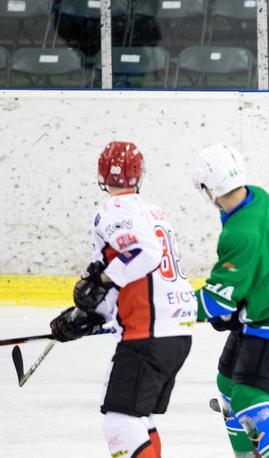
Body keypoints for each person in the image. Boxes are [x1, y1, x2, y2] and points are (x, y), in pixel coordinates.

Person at [49, 141, 195, 458]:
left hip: (148, 333)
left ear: (102, 175)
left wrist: (100, 280)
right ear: (139, 174)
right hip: (176, 332)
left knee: (119, 423)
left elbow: (144, 254)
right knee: (140, 419)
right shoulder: (155, 212)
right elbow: (128, 271)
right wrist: (83, 317)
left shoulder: (111, 211)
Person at [191, 143, 269, 458]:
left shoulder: (242, 230)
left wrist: (161, 309)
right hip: (266, 310)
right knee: (228, 386)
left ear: (209, 188)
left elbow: (216, 303)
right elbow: (255, 267)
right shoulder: (253, 197)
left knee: (251, 402)